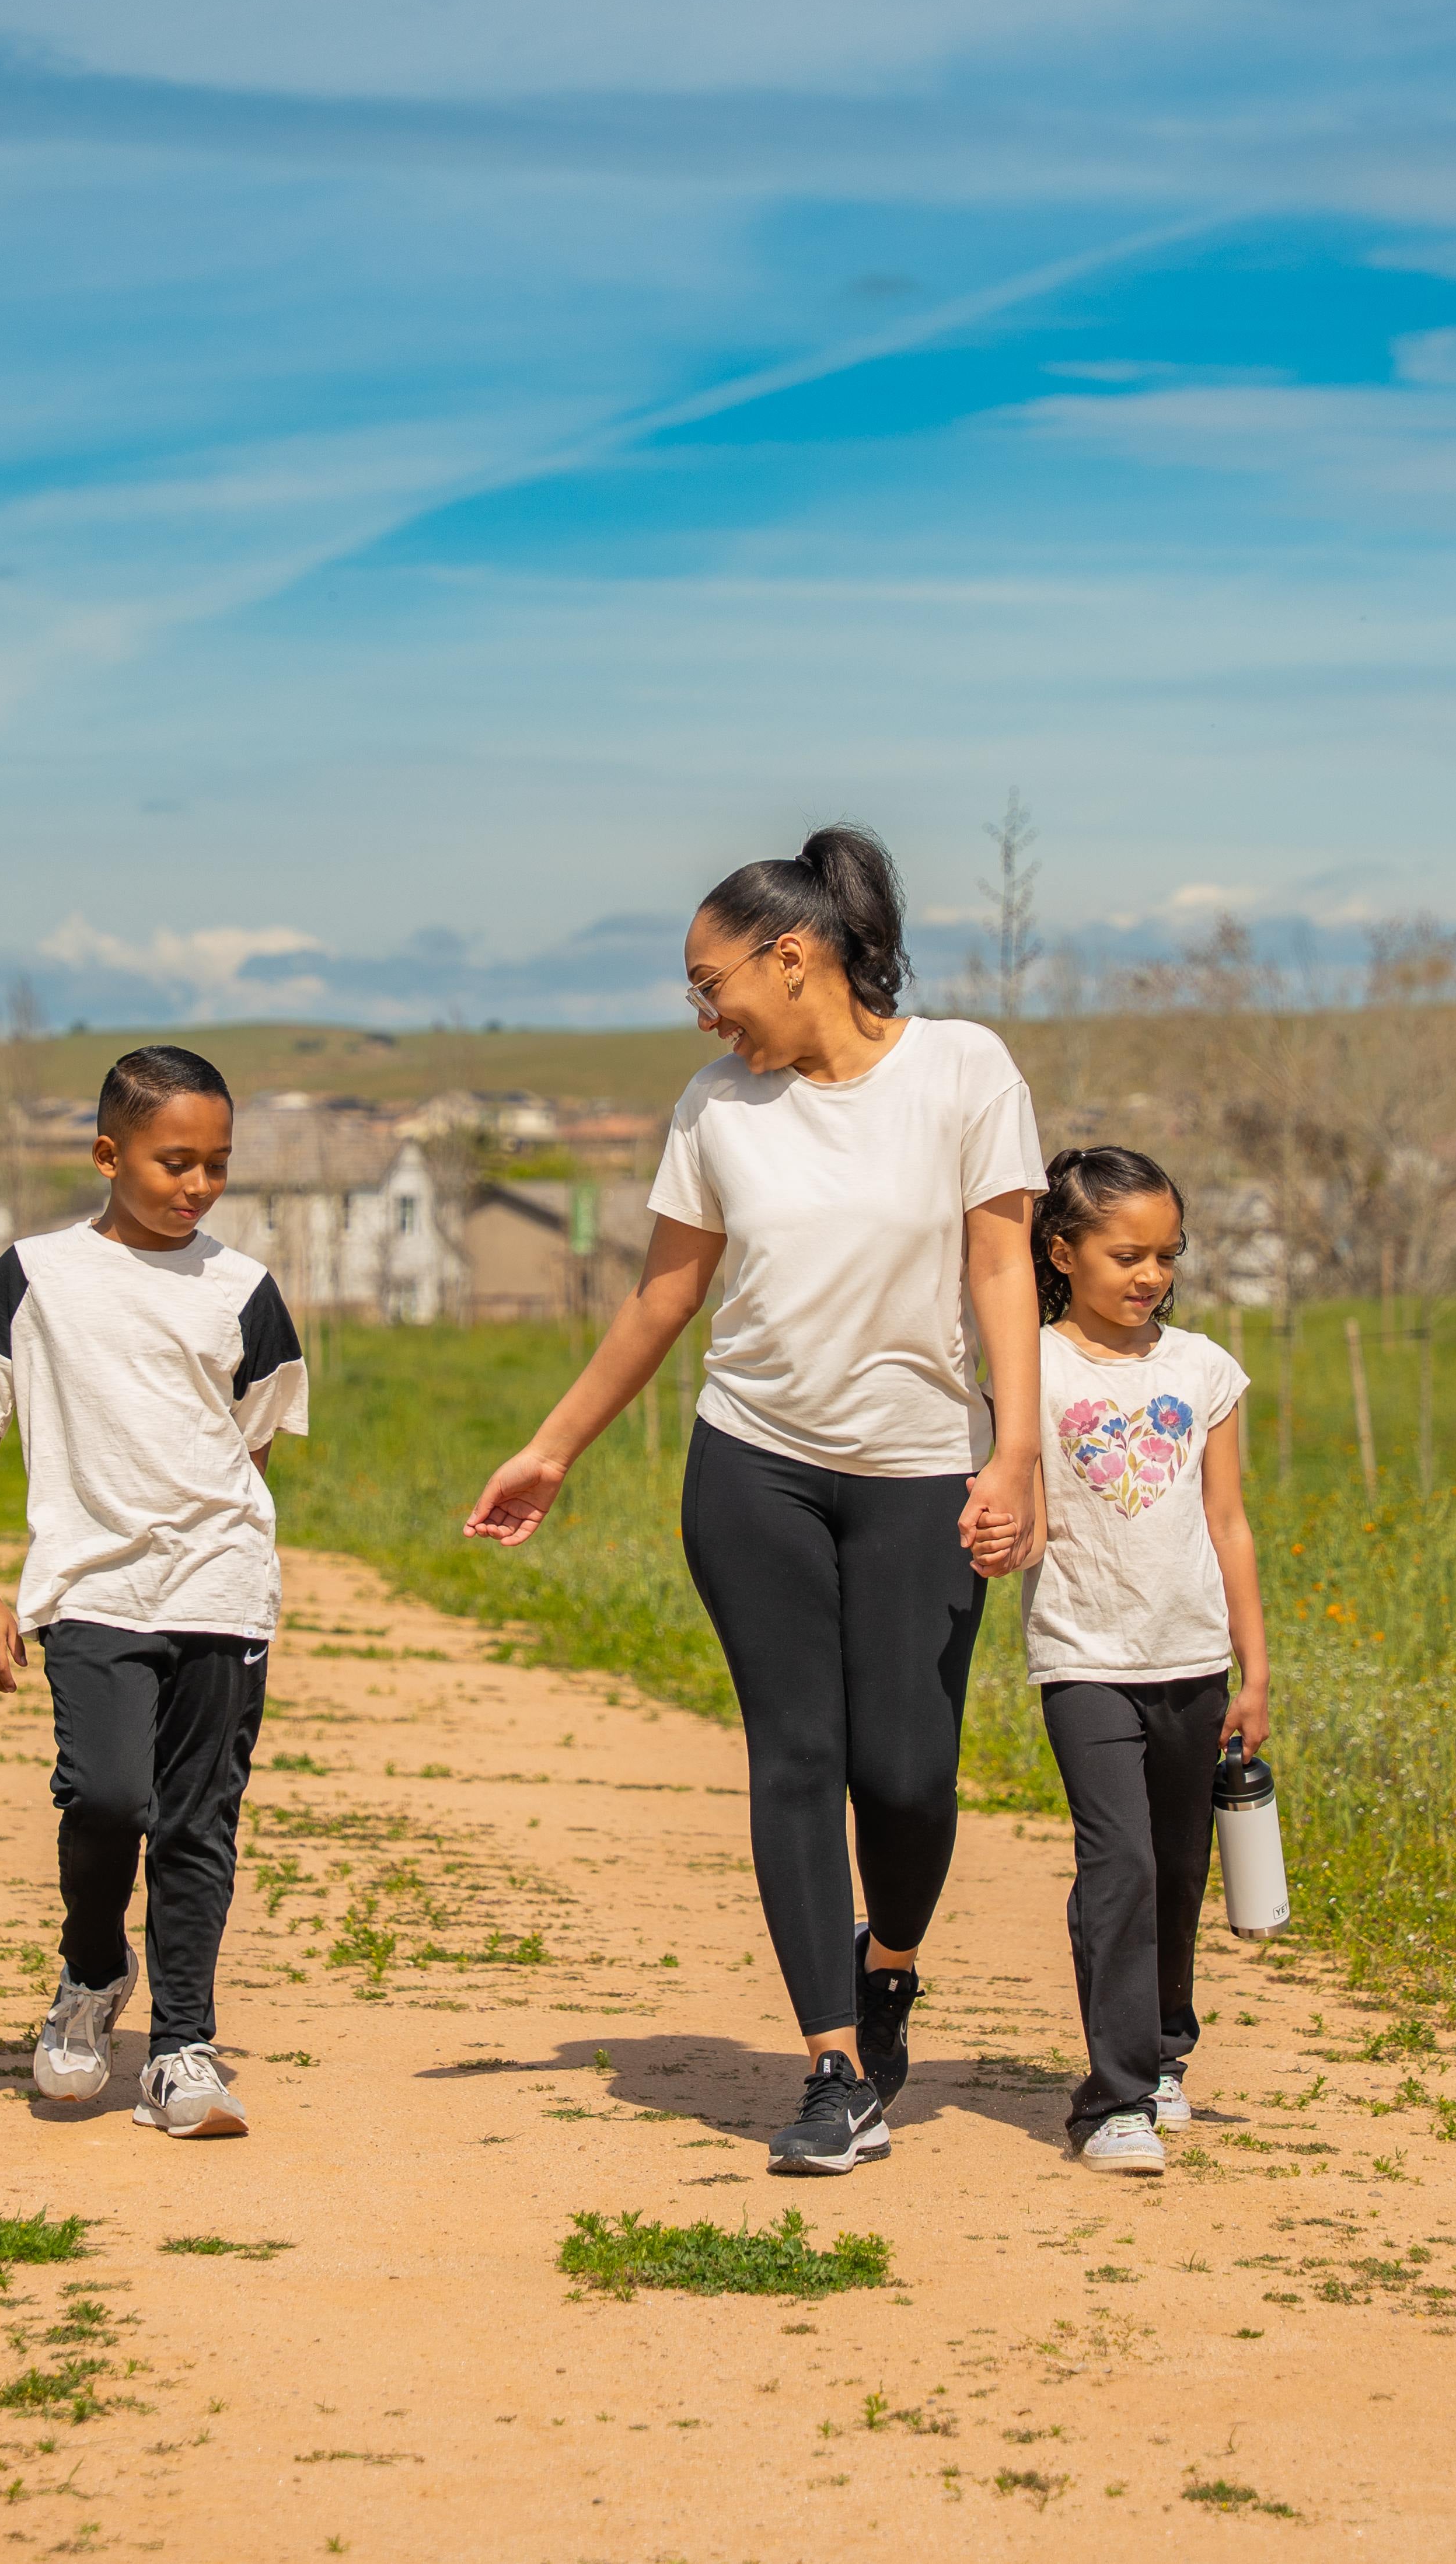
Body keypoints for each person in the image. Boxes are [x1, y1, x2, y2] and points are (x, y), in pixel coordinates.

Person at [465, 826, 1043, 2176]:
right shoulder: (717, 1108)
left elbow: (1005, 1264)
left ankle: (887, 1959)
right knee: (795, 1755)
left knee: (906, 1775)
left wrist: (1014, 1449)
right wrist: (554, 1446)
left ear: (795, 957)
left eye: (708, 980)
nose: (705, 1010)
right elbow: (668, 1294)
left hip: (921, 1471)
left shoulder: (965, 1067)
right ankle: (834, 2065)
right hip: (754, 1466)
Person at [0, 1044, 307, 2141]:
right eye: (172, 1161)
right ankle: (93, 1971)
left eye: (217, 1165)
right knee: (106, 1800)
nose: (197, 1186)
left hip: (219, 1587)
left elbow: (247, 1443)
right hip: (89, 1587)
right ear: (109, 1154)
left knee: (198, 1820)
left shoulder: (244, 1291)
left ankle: (183, 2049)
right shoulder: (33, 1275)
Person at [1018, 1146, 1272, 2175]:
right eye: (1126, 1253)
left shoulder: (1201, 1369)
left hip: (1193, 1660)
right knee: (1116, 1865)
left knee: (1176, 1870)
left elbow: (1230, 1521)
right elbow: (1011, 1493)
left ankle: (1165, 2051)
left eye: (1165, 1255)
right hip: (1083, 1660)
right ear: (1061, 1251)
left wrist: (1254, 1673)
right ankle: (1112, 2100)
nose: (1150, 1275)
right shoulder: (1029, 1363)